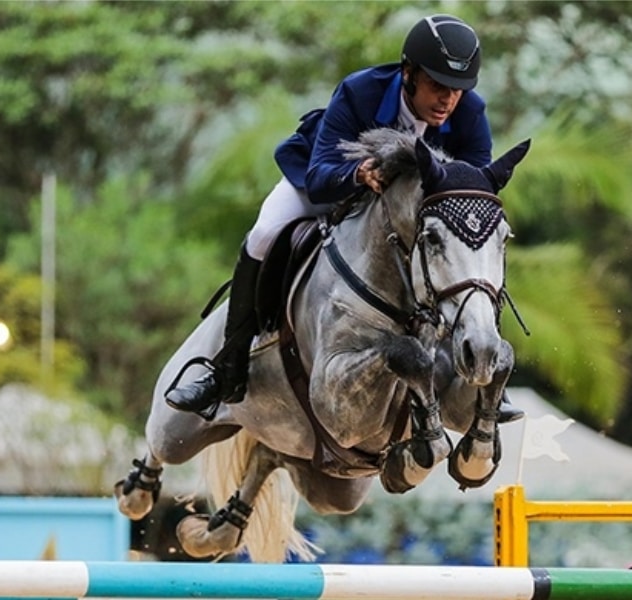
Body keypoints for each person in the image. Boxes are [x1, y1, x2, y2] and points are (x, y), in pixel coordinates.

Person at [166, 14, 523, 423]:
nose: (447, 100)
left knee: (470, 254)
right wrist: (357, 174)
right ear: (409, 73)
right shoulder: (361, 92)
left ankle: (481, 367)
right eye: (437, 86)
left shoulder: (470, 112)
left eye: (457, 90)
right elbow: (319, 179)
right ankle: (226, 367)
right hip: (332, 181)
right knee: (264, 233)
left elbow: (471, 191)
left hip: (407, 214)